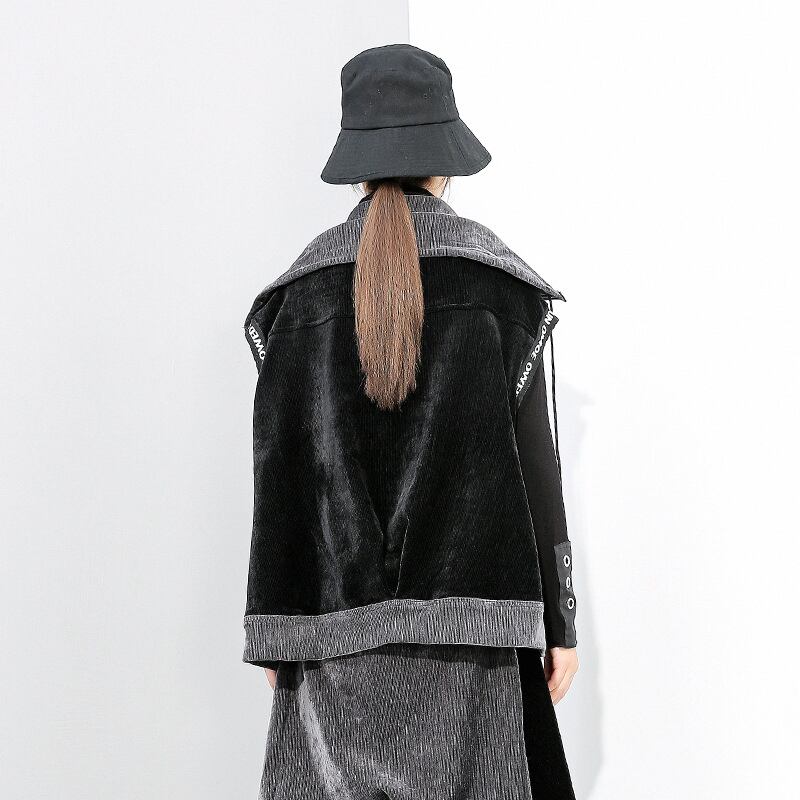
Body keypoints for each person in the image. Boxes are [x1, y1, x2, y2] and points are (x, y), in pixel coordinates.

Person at [243, 44, 579, 800]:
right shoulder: (503, 291)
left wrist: (273, 626)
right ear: (445, 164)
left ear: (355, 167)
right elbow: (538, 468)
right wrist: (561, 625)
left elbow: (280, 470)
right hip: (478, 644)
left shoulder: (296, 301)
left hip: (332, 642)